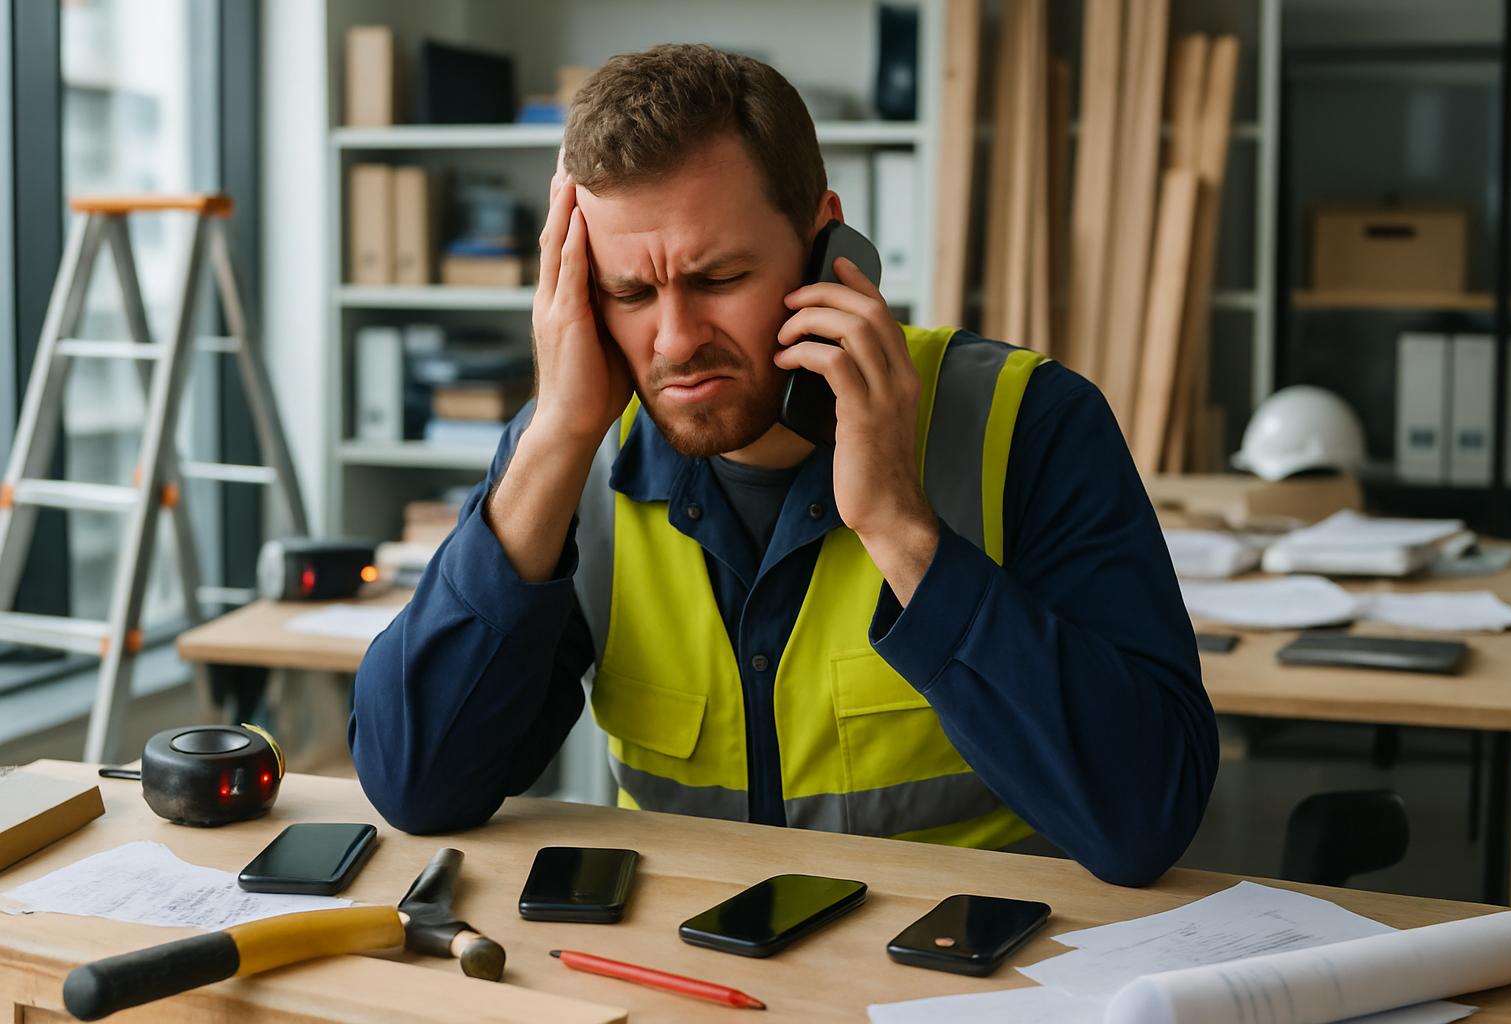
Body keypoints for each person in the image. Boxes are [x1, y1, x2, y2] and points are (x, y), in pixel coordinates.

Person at [350, 44, 1217, 887]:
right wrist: (555, 441)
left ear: (823, 244)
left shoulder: (1031, 424)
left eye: (719, 275)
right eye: (630, 293)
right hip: (683, 975)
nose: (678, 341)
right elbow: (418, 785)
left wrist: (902, 531)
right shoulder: (572, 451)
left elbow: (1144, 822)